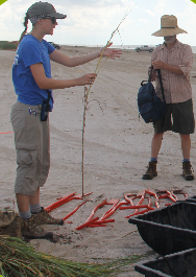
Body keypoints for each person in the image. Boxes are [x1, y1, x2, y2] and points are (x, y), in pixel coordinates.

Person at [11, 1, 122, 239]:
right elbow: (41, 82)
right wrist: (77, 81)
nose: (56, 23)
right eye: (53, 19)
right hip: (28, 112)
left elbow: (70, 60)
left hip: (38, 112)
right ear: (40, 20)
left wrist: (99, 52)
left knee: (39, 163)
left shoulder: (42, 44)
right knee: (28, 164)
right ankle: (25, 223)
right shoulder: (30, 44)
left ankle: (36, 212)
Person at [142, 15, 195, 181]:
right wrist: (151, 73)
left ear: (175, 32)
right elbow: (153, 78)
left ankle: (186, 166)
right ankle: (152, 166)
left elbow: (185, 71)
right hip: (161, 98)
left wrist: (164, 66)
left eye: (170, 31)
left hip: (182, 97)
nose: (167, 35)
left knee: (185, 133)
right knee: (158, 132)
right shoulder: (157, 50)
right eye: (165, 31)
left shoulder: (186, 49)